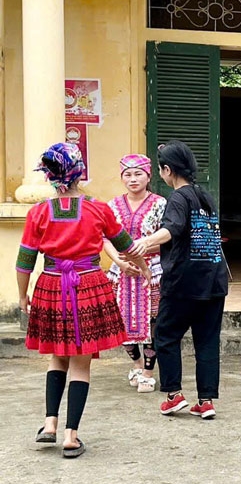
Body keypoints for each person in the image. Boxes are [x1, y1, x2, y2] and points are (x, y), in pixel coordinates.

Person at [17, 143, 147, 458]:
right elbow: (126, 244)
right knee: (81, 363)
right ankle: (71, 436)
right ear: (79, 172)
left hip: (50, 287)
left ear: (49, 176)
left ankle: (49, 424)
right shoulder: (98, 209)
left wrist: (23, 294)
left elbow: (24, 262)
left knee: (56, 356)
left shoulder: (38, 212)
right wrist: (143, 268)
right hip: (88, 285)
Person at [127, 141, 228, 419]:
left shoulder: (178, 198)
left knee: (165, 336)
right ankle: (206, 401)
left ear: (167, 170)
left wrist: (143, 243)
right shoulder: (205, 196)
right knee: (207, 342)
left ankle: (174, 395)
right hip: (214, 281)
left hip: (184, 282)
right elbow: (190, 236)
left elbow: (171, 230)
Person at [104, 154, 166, 393]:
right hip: (121, 272)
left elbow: (169, 237)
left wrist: (142, 251)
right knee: (121, 323)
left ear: (148, 176)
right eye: (127, 174)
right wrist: (117, 259)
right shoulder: (112, 206)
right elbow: (104, 237)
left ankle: (149, 372)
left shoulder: (160, 203)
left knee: (153, 324)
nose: (133, 179)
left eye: (138, 173)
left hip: (152, 271)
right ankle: (137, 365)